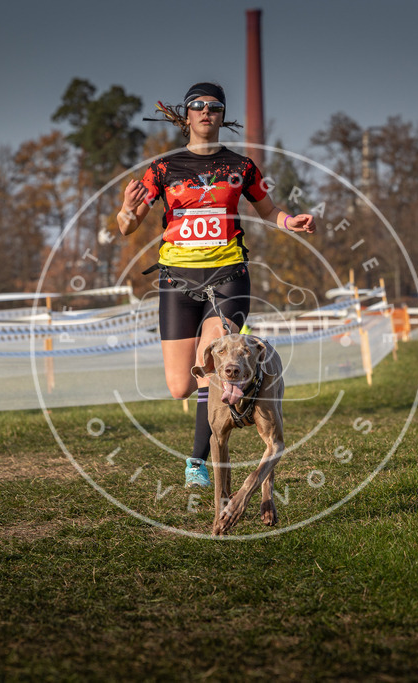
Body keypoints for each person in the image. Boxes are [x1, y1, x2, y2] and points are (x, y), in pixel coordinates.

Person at [117, 82, 317, 488]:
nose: (206, 112)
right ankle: (235, 405)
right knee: (179, 385)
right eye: (198, 106)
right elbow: (127, 226)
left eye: (214, 107)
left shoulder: (241, 167)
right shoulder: (162, 169)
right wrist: (125, 210)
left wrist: (288, 222)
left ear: (222, 116)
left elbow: (270, 208)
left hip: (228, 276)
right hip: (176, 280)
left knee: (211, 364)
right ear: (186, 114)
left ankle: (197, 461)